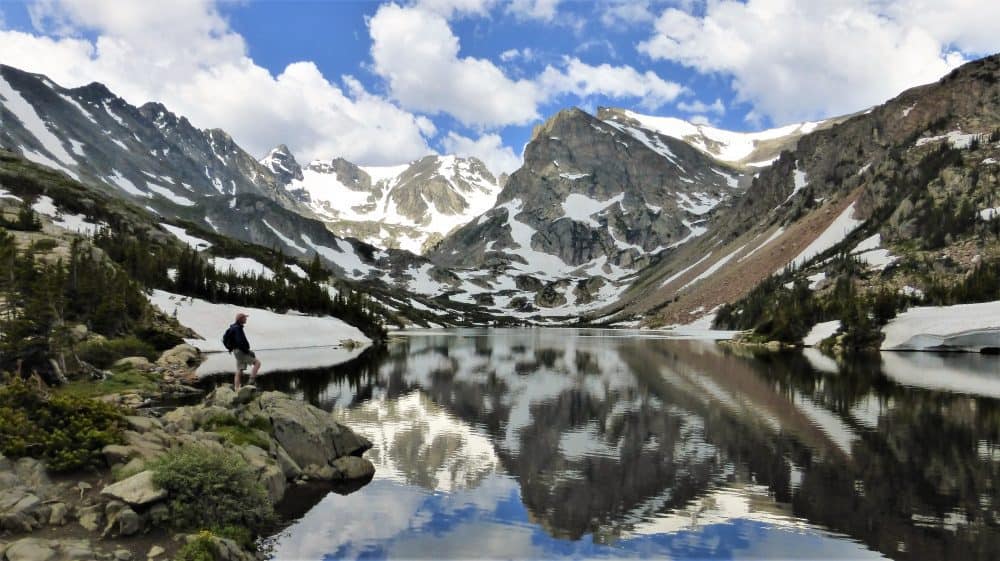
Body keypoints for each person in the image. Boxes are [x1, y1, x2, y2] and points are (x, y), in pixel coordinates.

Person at [230, 312, 261, 390]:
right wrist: (247, 351)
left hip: (236, 351)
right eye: (245, 318)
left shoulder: (235, 327)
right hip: (240, 351)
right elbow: (240, 342)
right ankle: (251, 380)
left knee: (240, 369)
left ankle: (237, 388)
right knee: (257, 363)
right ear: (241, 319)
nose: (246, 319)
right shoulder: (238, 328)